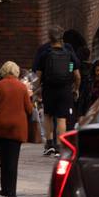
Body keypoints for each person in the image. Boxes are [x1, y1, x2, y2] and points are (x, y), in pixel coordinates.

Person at [0, 62, 34, 197]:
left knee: (3, 158)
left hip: (1, 126)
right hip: (17, 127)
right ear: (16, 72)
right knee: (13, 159)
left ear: (4, 71)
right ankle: (11, 191)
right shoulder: (22, 87)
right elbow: (29, 109)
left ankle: (4, 188)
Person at [32, 26, 80, 156]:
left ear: (49, 37)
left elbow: (38, 75)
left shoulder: (44, 52)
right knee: (61, 118)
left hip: (49, 88)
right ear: (62, 37)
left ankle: (49, 144)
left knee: (48, 115)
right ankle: (60, 146)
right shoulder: (69, 51)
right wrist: (76, 88)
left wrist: (35, 90)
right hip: (65, 89)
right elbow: (77, 75)